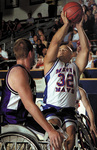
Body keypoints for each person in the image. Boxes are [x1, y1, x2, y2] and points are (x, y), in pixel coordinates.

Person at [0, 38, 64, 150]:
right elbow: (29, 105)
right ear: (30, 53)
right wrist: (50, 130)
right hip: (14, 122)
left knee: (58, 132)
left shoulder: (23, 72)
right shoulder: (18, 73)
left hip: (22, 120)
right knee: (54, 137)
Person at [42, 11, 90, 150]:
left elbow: (85, 50)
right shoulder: (50, 63)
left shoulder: (75, 67)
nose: (61, 51)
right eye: (60, 50)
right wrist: (66, 25)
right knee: (55, 133)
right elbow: (55, 41)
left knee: (71, 136)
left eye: (65, 49)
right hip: (51, 107)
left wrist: (80, 27)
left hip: (69, 110)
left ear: (71, 55)